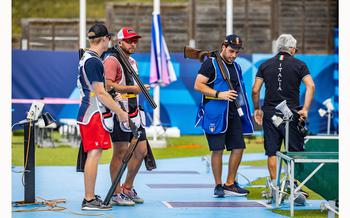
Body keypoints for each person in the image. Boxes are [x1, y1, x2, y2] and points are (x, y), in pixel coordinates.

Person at [252, 34, 315, 194]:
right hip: (291, 113)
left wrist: (257, 108)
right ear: (292, 49)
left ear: (278, 47)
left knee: (271, 151)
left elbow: (255, 90)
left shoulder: (265, 65)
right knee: (293, 151)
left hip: (271, 113)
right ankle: (292, 186)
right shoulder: (300, 65)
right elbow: (311, 86)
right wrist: (305, 109)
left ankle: (274, 186)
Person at [194, 34, 254, 198]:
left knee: (239, 147)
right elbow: (198, 84)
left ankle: (230, 183)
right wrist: (219, 94)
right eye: (231, 51)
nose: (233, 55)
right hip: (215, 113)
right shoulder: (210, 63)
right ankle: (218, 185)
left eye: (236, 52)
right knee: (218, 150)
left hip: (233, 113)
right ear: (223, 47)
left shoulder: (237, 67)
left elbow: (240, 91)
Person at [76, 23, 129, 210]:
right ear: (105, 39)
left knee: (94, 154)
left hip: (90, 112)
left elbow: (100, 90)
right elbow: (100, 93)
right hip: (93, 113)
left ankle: (89, 197)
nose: (110, 41)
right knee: (94, 154)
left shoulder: (88, 58)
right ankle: (89, 199)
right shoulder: (94, 61)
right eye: (109, 38)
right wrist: (121, 112)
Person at [103, 27, 150, 206]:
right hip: (119, 112)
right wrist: (134, 89)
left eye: (135, 40)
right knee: (120, 153)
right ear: (120, 41)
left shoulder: (131, 61)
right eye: (129, 40)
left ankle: (127, 188)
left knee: (141, 152)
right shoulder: (112, 60)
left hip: (134, 111)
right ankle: (116, 193)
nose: (133, 43)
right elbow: (108, 86)